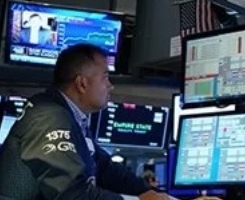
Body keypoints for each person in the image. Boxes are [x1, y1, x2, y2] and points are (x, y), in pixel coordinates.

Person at [0, 43, 167, 200]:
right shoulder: (49, 118)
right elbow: (71, 193)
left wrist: (146, 191)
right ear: (82, 83)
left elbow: (105, 168)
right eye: (105, 78)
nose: (111, 86)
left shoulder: (71, 118)